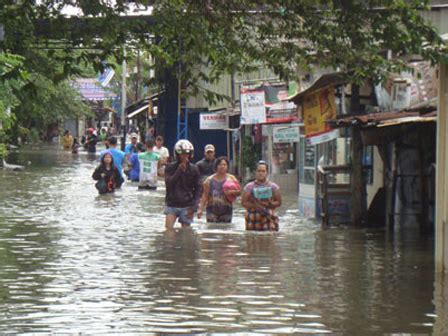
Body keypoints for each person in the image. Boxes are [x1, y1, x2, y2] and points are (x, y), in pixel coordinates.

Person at [164, 139, 201, 230]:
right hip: (172, 204)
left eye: (186, 153)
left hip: (187, 205)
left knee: (186, 234)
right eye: (182, 153)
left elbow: (198, 189)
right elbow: (169, 184)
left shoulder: (194, 169)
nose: (184, 156)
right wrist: (179, 171)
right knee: (168, 232)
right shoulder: (170, 167)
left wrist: (195, 207)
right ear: (177, 154)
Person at [197, 157, 241, 223]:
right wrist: (200, 209)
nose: (222, 166)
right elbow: (204, 196)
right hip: (211, 208)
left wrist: (231, 192)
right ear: (216, 166)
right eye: (220, 164)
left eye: (224, 165)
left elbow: (239, 192)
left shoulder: (232, 179)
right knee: (211, 230)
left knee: (226, 229)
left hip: (227, 208)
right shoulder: (208, 180)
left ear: (227, 167)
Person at [241, 161, 282, 231]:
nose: (261, 173)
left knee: (269, 238)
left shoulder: (273, 187)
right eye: (259, 171)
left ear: (267, 172)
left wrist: (270, 204)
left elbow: (279, 202)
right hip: (253, 217)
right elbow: (243, 203)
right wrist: (255, 205)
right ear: (255, 172)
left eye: (263, 171)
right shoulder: (249, 187)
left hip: (268, 216)